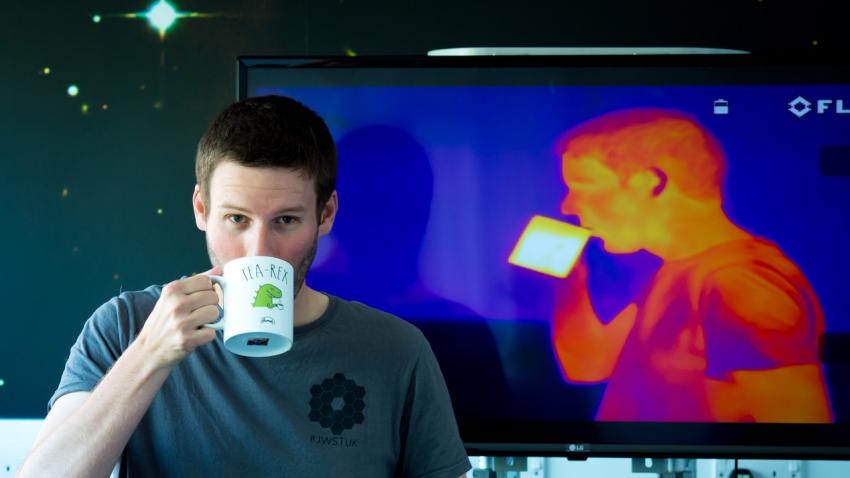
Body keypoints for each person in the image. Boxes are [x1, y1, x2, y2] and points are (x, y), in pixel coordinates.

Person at [19, 95, 472, 477]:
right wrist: (149, 356)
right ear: (201, 209)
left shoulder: (397, 350)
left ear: (326, 215)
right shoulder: (126, 326)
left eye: (286, 221)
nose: (259, 250)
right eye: (237, 218)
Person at [551, 108, 833, 423]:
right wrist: (568, 279)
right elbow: (589, 365)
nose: (568, 206)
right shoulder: (677, 268)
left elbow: (802, 437)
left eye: (583, 187)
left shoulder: (740, 284)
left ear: (652, 183)